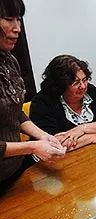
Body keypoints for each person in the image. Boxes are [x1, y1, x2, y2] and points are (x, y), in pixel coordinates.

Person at [0, 0, 65, 193]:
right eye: (8, 19)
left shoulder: (9, 61)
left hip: (14, 169)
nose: (17, 28)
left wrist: (44, 136)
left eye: (19, 19)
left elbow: (14, 112)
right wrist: (33, 147)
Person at [30, 55, 96, 151]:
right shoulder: (42, 102)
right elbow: (54, 145)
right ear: (61, 85)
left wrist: (82, 129)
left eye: (84, 80)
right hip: (56, 160)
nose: (83, 86)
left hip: (94, 151)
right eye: (76, 82)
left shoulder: (91, 91)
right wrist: (92, 137)